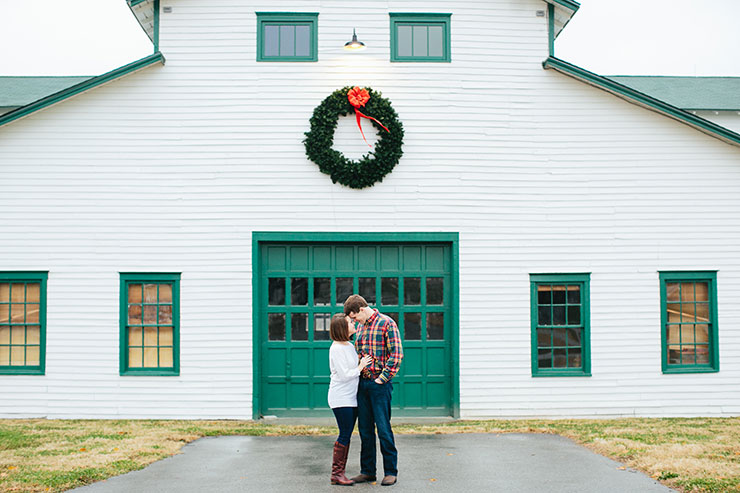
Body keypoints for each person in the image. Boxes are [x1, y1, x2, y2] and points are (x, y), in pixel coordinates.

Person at [344, 294, 404, 487]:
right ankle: (368, 471)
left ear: (361, 309)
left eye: (354, 317)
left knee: (384, 429)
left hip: (379, 385)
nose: (353, 322)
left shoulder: (387, 323)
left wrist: (382, 379)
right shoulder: (360, 327)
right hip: (363, 384)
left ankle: (390, 472)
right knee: (365, 430)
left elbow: (396, 355)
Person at [328, 313, 372, 486]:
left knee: (347, 433)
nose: (353, 324)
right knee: (345, 434)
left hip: (351, 397)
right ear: (342, 328)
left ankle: (339, 474)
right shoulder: (337, 348)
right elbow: (345, 374)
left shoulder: (348, 345)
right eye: (350, 323)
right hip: (341, 398)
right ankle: (337, 474)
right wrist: (361, 366)